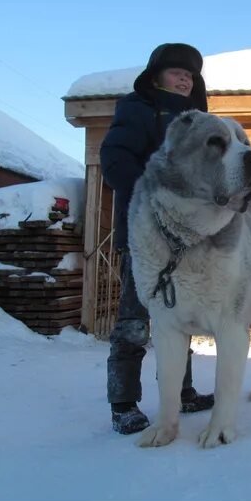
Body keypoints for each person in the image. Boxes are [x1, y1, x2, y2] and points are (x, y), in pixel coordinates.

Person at [100, 43, 214, 434]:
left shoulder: (198, 123)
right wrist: (153, 203)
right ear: (155, 76)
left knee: (180, 317)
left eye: (190, 74)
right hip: (145, 235)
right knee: (135, 320)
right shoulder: (138, 108)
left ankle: (182, 393)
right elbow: (116, 160)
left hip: (187, 240)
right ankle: (123, 404)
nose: (185, 78)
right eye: (176, 72)